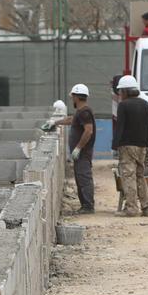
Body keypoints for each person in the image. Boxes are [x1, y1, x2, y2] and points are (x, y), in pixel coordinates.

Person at [45, 83, 96, 214]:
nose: (72, 99)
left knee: (84, 178)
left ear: (76, 97)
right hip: (80, 154)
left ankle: (88, 207)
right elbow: (71, 120)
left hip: (83, 153)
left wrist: (78, 148)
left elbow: (88, 131)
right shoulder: (81, 112)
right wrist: (54, 123)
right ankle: (85, 205)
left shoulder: (84, 112)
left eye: (72, 97)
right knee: (80, 178)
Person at [112, 75, 148, 217]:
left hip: (127, 146)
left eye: (120, 91)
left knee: (128, 176)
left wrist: (115, 144)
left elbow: (120, 127)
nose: (119, 94)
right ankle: (147, 207)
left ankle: (131, 208)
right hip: (142, 146)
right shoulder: (146, 104)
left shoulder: (124, 105)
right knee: (140, 176)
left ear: (124, 91)